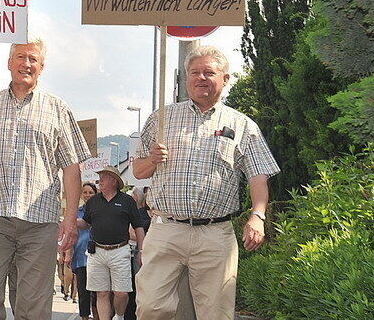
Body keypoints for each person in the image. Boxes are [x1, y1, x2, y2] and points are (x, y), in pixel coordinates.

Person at [0, 36, 91, 320]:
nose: (26, 64)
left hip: (40, 224)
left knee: (33, 309)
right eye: (21, 57)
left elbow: (72, 168)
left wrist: (70, 219)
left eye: (33, 59)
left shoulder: (58, 109)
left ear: (42, 67)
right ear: (9, 63)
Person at [132, 45, 280, 320]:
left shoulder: (243, 124)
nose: (201, 78)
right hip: (166, 229)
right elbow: (139, 172)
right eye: (194, 72)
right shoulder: (162, 118)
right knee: (152, 308)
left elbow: (258, 175)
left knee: (216, 313)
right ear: (185, 78)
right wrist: (152, 159)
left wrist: (257, 216)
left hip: (215, 234)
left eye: (209, 72)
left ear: (225, 79)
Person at [78, 166, 144, 320]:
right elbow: (86, 223)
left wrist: (141, 251)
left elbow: (138, 227)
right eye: (99, 176)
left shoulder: (127, 201)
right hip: (97, 251)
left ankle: (119, 316)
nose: (99, 180)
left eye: (104, 177)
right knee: (101, 293)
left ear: (114, 181)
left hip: (120, 250)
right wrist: (70, 222)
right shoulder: (93, 201)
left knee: (121, 293)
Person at [73, 182, 99, 320]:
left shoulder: (100, 210)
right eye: (85, 192)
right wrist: (67, 254)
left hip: (98, 256)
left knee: (97, 292)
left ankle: (97, 316)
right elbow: (72, 234)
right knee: (83, 291)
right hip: (81, 256)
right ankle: (84, 317)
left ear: (95, 194)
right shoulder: (77, 212)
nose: (88, 195)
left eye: (91, 192)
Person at [124, 187, 151, 320]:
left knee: (137, 288)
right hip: (132, 253)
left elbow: (134, 234)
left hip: (139, 254)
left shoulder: (143, 214)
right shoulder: (137, 213)